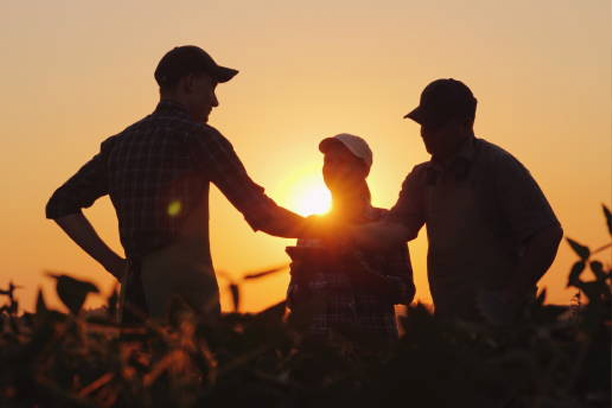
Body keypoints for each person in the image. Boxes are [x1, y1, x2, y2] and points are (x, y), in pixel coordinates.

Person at [46, 45, 306, 323]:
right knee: (194, 366)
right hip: (187, 308)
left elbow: (61, 205)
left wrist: (114, 265)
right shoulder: (198, 137)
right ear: (190, 83)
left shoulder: (121, 144)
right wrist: (329, 230)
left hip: (135, 302)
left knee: (138, 366)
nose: (215, 101)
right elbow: (262, 215)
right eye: (212, 87)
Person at [348, 79, 563, 324]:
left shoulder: (498, 166)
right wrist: (336, 233)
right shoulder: (422, 177)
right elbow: (393, 229)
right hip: (451, 325)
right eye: (423, 123)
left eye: (436, 124)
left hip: (503, 329)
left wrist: (510, 298)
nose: (425, 132)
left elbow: (547, 234)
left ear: (466, 124)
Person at [286, 134, 415, 344]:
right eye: (328, 161)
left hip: (372, 351)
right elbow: (293, 301)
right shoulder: (310, 226)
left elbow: (405, 291)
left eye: (342, 162)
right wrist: (301, 277)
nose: (332, 168)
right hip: (320, 353)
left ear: (363, 170)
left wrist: (363, 275)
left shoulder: (386, 223)